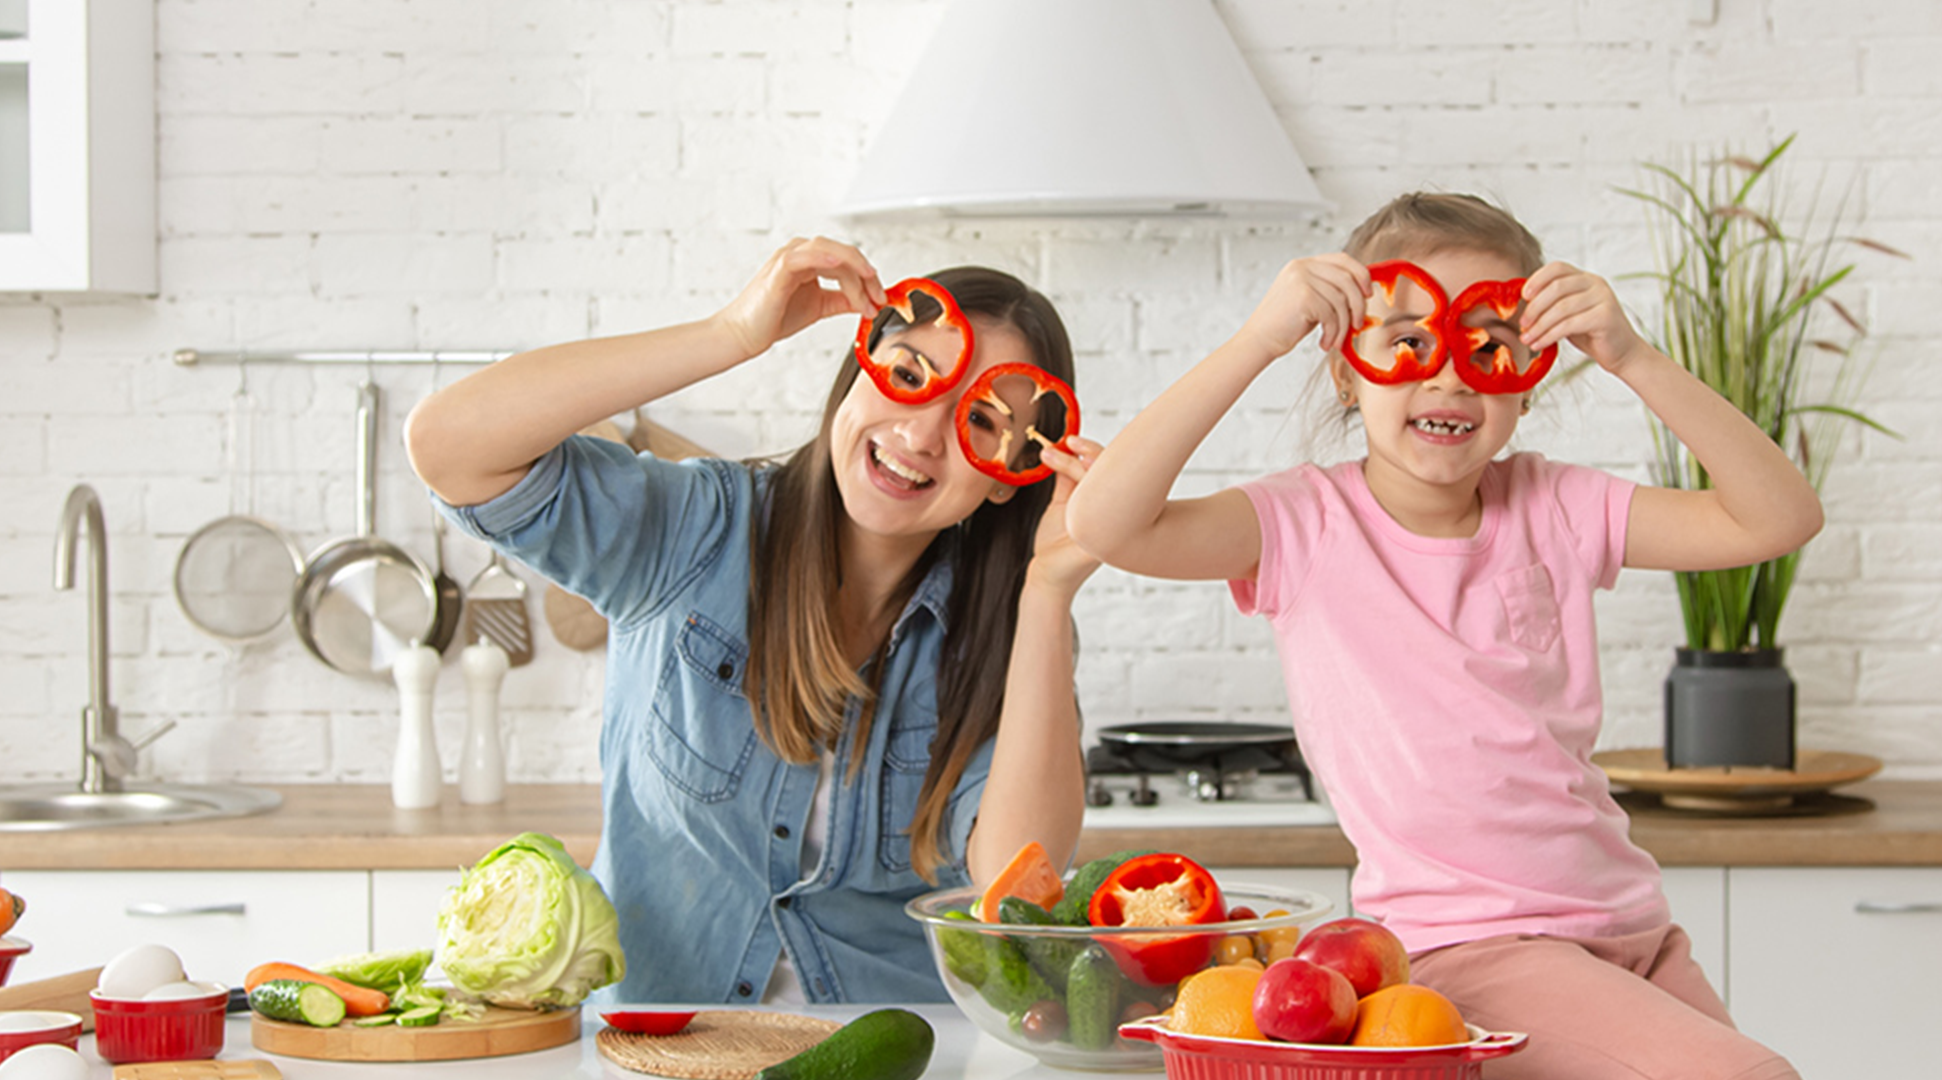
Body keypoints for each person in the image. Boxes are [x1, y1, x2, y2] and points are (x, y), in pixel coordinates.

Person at [1058, 193, 1814, 1079]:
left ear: (1528, 381)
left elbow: (1778, 517)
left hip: (1633, 925)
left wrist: (1633, 356)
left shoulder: (1558, 504)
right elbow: (1107, 523)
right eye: (1409, 341)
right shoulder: (1305, 523)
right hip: (1472, 946)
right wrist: (1263, 337)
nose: (1449, 375)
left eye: (1487, 345)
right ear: (1348, 372)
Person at [406, 236, 1101, 1005]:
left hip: (896, 1053)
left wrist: (1048, 588)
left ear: (1013, 477)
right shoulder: (696, 529)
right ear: (858, 372)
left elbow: (1019, 888)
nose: (920, 433)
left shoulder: (1009, 627)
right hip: (660, 1049)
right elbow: (448, 446)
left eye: (981, 424)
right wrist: (732, 334)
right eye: (908, 376)